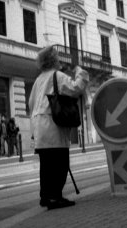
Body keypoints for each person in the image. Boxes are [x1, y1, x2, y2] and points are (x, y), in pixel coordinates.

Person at [29, 46, 89, 210]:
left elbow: (31, 104)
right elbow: (76, 88)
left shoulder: (38, 80)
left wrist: (33, 130)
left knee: (46, 165)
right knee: (60, 163)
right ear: (54, 60)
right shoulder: (58, 76)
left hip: (39, 126)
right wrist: (80, 72)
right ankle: (55, 197)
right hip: (53, 125)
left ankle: (46, 196)